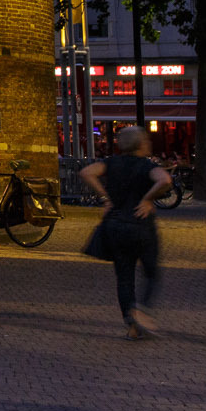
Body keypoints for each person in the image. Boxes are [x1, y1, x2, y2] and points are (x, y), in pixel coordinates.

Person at [81, 124, 171, 338]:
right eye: (147, 140)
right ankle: (140, 311)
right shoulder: (146, 166)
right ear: (140, 144)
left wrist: (105, 198)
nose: (149, 143)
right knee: (151, 272)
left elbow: (86, 172)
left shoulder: (112, 163)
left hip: (115, 225)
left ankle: (131, 326)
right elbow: (165, 180)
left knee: (124, 277)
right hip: (141, 225)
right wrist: (148, 198)